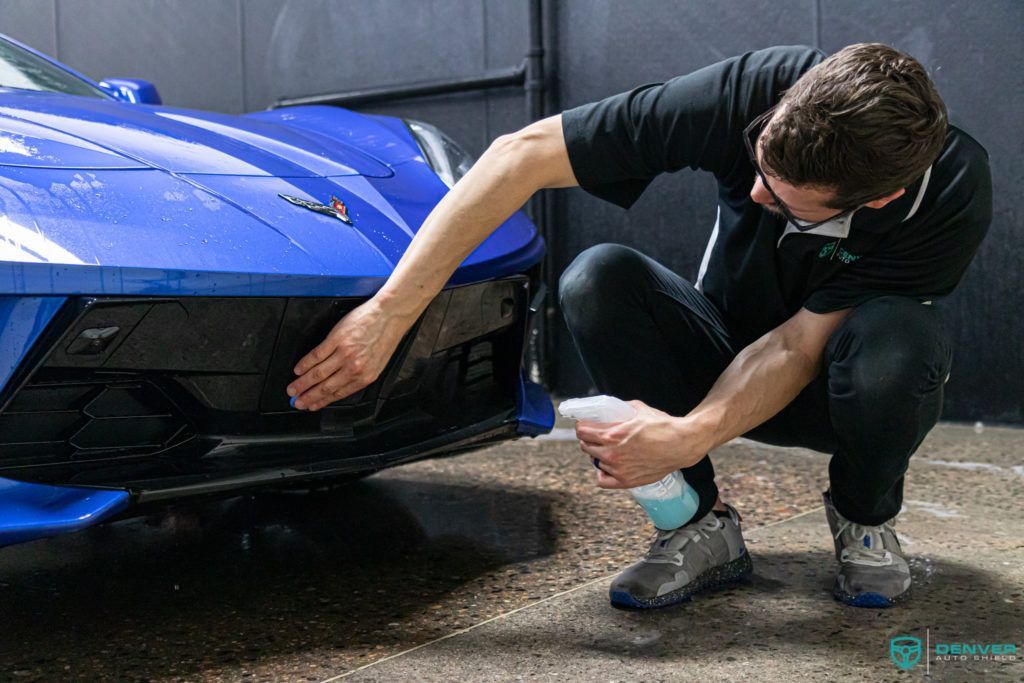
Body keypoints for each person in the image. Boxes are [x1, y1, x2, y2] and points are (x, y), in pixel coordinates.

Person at [285, 43, 991, 610]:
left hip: (837, 386)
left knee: (897, 347)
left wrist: (686, 432)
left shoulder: (950, 193)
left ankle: (866, 519)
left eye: (781, 200)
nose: (753, 193)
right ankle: (699, 525)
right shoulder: (757, 92)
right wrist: (389, 312)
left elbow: (797, 345)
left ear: (881, 197)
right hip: (718, 348)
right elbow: (519, 155)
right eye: (759, 165)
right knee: (598, 277)